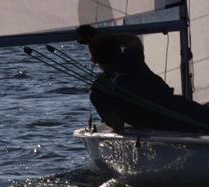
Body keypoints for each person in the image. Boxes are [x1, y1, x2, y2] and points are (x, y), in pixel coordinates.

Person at [78, 25, 209, 132]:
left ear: (93, 60)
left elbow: (117, 125)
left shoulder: (98, 91)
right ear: (118, 48)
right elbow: (132, 40)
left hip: (162, 128)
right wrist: (101, 36)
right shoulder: (132, 57)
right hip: (188, 110)